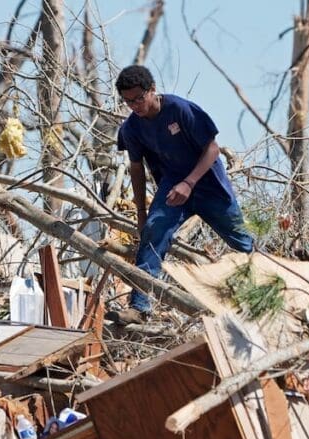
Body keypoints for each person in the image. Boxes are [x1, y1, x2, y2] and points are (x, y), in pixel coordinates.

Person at [107, 65, 254, 325]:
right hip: (173, 187)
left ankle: (265, 294)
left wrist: (190, 182)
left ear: (152, 90)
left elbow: (212, 149)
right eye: (128, 101)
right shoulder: (131, 129)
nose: (135, 106)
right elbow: (136, 168)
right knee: (153, 231)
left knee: (243, 243)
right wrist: (141, 212)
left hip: (208, 185)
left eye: (139, 98)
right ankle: (139, 307)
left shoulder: (179, 109)